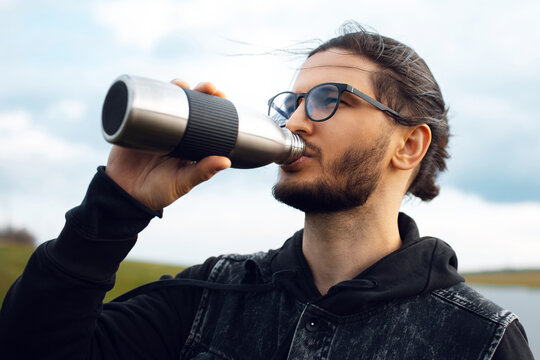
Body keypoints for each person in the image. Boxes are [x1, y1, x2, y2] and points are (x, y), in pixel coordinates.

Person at [0, 23, 534, 360]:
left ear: (409, 145)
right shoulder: (210, 296)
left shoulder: (479, 341)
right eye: (292, 103)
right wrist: (118, 201)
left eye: (330, 99)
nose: (297, 122)